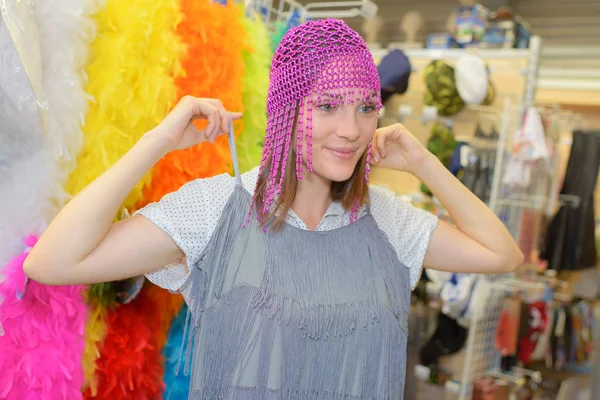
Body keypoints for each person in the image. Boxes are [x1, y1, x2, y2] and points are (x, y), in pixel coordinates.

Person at [25, 19, 522, 399]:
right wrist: (157, 143)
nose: (351, 129)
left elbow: (502, 255)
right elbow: (52, 262)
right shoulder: (217, 209)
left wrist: (425, 163)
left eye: (366, 107)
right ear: (288, 109)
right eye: (327, 105)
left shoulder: (385, 219)